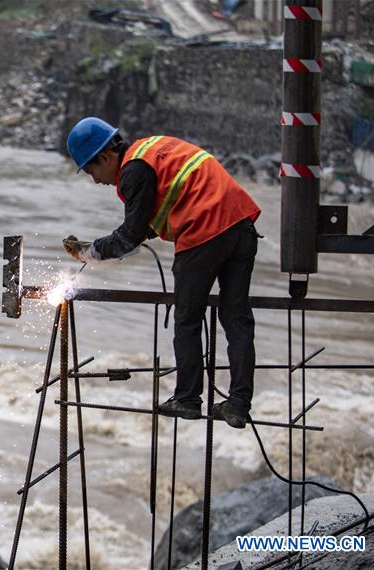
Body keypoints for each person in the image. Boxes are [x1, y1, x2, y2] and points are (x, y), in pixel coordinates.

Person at [62, 117, 261, 429]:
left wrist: (90, 252)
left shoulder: (133, 170)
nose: (97, 181)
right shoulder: (152, 151)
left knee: (187, 318)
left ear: (105, 156)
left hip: (204, 231)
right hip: (241, 225)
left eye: (91, 172)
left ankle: (188, 399)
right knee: (236, 317)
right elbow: (151, 221)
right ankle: (238, 404)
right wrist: (113, 244)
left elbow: (130, 236)